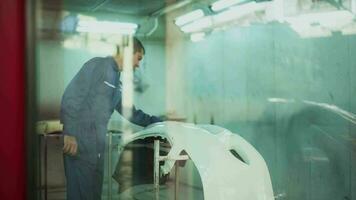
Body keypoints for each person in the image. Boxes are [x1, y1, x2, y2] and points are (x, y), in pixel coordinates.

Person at [60, 37, 161, 200]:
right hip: (80, 141)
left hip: (97, 145)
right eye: (138, 58)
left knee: (94, 194)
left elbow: (131, 113)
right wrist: (69, 133)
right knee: (79, 194)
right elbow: (71, 98)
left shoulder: (117, 82)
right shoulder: (97, 66)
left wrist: (159, 121)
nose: (138, 64)